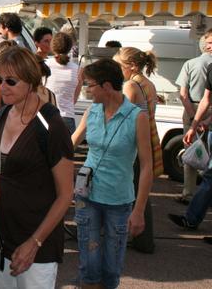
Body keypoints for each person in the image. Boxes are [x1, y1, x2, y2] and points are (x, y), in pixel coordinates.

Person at [0, 46, 74, 288]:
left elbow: (66, 194)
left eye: (10, 81)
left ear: (31, 81)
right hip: (0, 239)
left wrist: (34, 243)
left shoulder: (51, 125)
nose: (2, 86)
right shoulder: (2, 115)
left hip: (37, 244)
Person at [72, 58, 152, 289]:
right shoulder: (92, 111)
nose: (87, 90)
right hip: (86, 197)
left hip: (119, 201)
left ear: (106, 86)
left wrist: (139, 211)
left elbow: (146, 166)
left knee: (111, 268)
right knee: (89, 265)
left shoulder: (137, 117)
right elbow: (72, 143)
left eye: (90, 85)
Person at [113, 46, 161, 253]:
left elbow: (121, 115)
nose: (117, 71)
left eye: (119, 66)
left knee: (131, 191)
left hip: (133, 143)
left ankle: (139, 238)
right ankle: (143, 239)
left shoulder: (131, 85)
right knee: (141, 191)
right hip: (146, 140)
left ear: (131, 66)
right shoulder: (148, 83)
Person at [174, 31, 212, 204]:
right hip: (209, 110)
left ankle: (188, 193)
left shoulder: (190, 64)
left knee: (191, 152)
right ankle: (206, 195)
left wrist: (191, 118)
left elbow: (183, 94)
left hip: (193, 108)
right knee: (209, 155)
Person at [45, 32, 82, 134]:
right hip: (68, 117)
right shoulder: (78, 70)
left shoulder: (45, 65)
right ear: (70, 48)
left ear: (52, 47)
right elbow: (74, 98)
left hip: (48, 116)